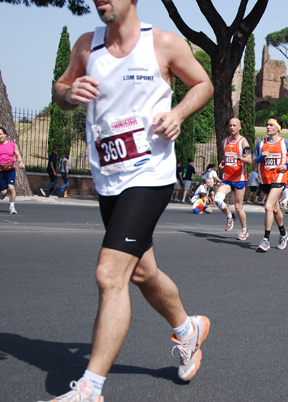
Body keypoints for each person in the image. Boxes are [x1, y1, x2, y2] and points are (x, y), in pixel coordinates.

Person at [45, 1, 214, 400]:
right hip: (109, 180)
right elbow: (59, 90)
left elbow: (204, 84)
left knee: (110, 274)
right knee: (140, 273)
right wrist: (69, 93)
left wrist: (178, 114)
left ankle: (91, 388)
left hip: (149, 176)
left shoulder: (163, 44)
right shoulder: (87, 47)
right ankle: (188, 329)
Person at [254, 116, 288, 252]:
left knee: (268, 206)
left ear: (278, 128)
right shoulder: (260, 143)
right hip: (265, 179)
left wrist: (287, 164)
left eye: (271, 125)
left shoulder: (285, 142)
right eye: (267, 125)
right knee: (275, 209)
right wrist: (261, 156)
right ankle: (284, 234)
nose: (268, 127)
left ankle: (266, 239)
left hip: (279, 178)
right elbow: (254, 160)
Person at [215, 117, 252, 240]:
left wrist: (238, 157)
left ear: (239, 127)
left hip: (239, 178)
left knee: (238, 206)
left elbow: (249, 160)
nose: (232, 127)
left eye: (234, 125)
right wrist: (224, 162)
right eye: (230, 125)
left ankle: (244, 230)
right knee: (218, 199)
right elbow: (227, 157)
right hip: (227, 177)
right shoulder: (224, 141)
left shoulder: (243, 142)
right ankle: (230, 216)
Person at [0, 126, 25, 214]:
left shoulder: (12, 145)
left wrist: (21, 163)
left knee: (11, 187)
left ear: (5, 134)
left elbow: (18, 155)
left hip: (10, 169)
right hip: (0, 171)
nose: (0, 136)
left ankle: (12, 207)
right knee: (3, 192)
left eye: (1, 134)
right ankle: (2, 193)